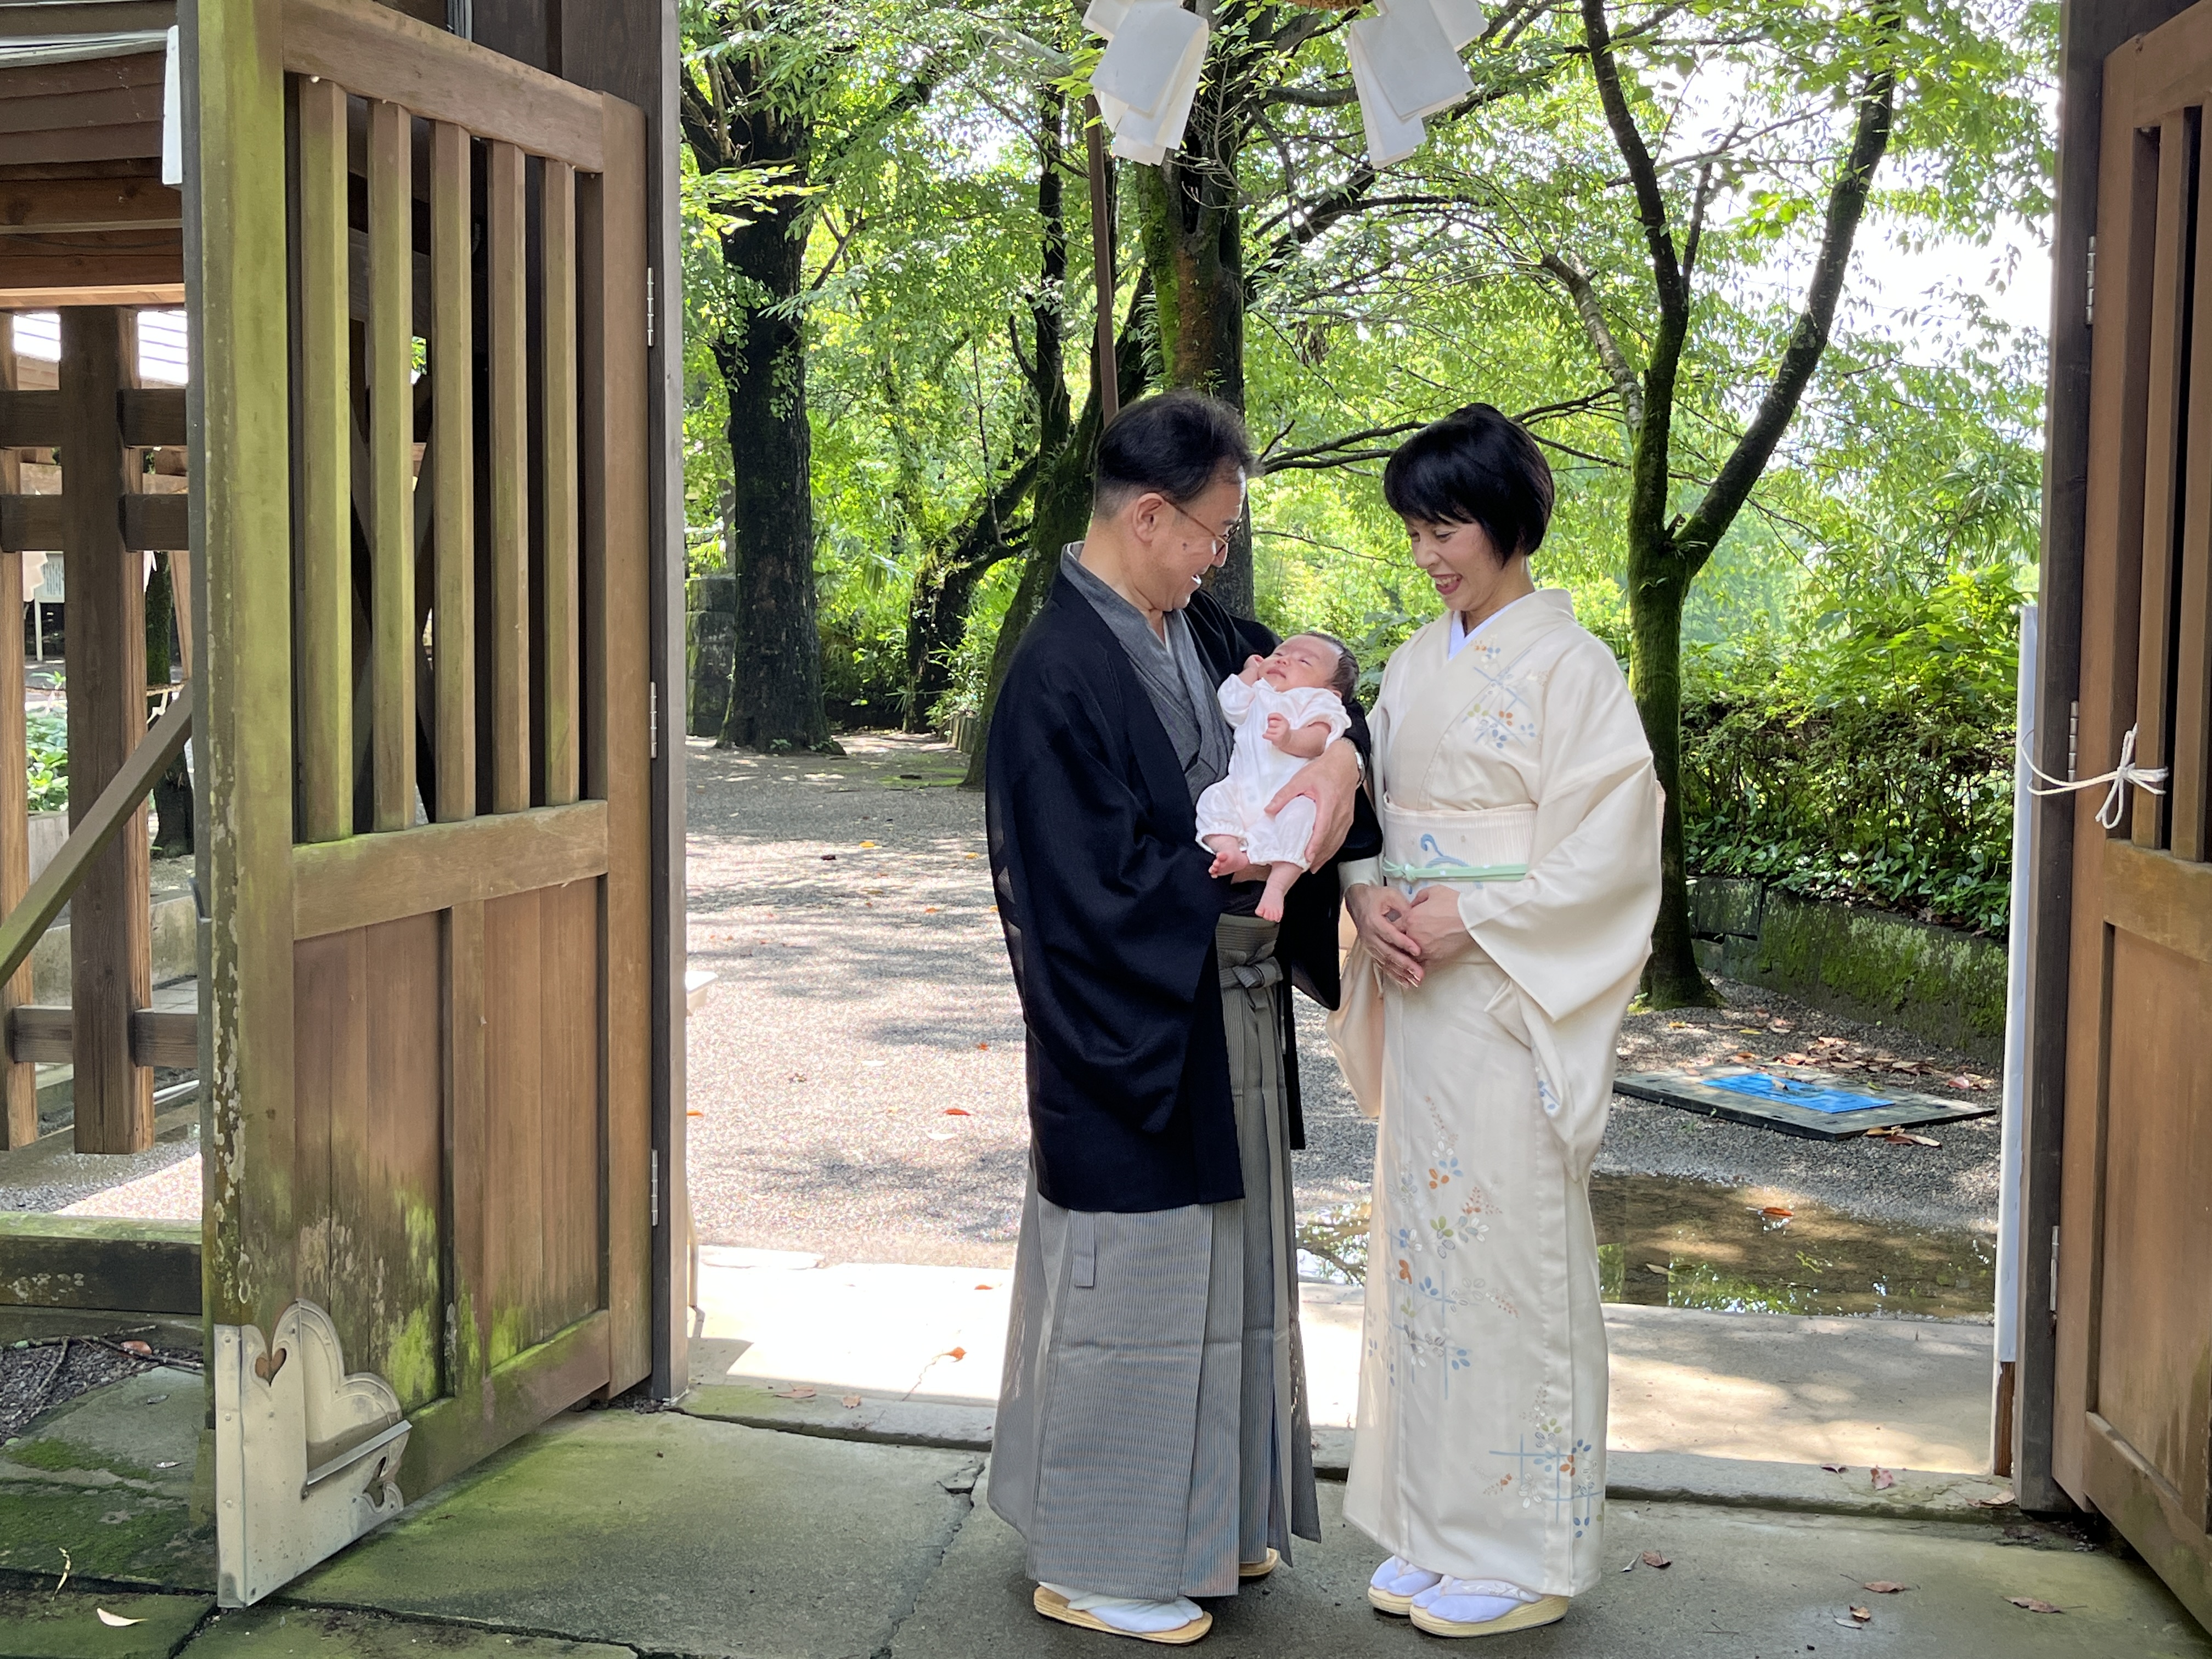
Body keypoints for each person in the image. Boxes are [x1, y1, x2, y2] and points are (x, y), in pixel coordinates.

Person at [984, 390, 1381, 1645]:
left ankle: (1208, 1523)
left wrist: (1338, 762)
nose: (1224, 554)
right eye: (1213, 529)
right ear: (1150, 516)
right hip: (1133, 1019)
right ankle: (1099, 1557)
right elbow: (1075, 892)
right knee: (1136, 1299)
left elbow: (1317, 708)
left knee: (1234, 1280)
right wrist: (1222, 868)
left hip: (1230, 1009)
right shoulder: (1055, 671)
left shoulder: (1196, 623)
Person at [1328, 404, 1662, 1639]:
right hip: (1420, 994)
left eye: (1447, 524)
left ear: (1509, 522)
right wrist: (1369, 906)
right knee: (1426, 1255)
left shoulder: (1573, 669)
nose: (1428, 552)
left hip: (1511, 999)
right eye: (1415, 528)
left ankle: (1522, 1548)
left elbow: (1616, 849)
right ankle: (1433, 1521)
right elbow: (1366, 811)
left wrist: (1478, 917)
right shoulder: (1419, 662)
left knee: (1510, 1255)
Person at [1196, 633, 1358, 923]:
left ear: (1332, 691)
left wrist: (1291, 738)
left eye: (1303, 660)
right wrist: (1250, 673)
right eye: (1280, 653)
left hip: (1289, 797)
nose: (1284, 659)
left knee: (1306, 819)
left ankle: (1277, 885)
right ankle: (1229, 850)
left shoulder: (1317, 701)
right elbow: (1229, 705)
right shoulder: (1260, 693)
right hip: (1243, 787)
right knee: (1213, 799)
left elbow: (1320, 740)